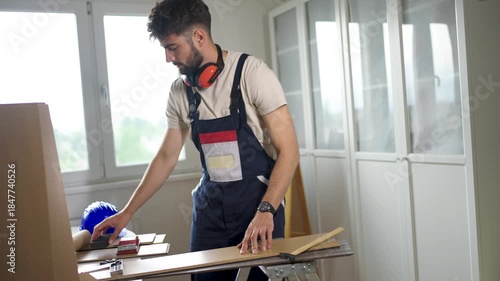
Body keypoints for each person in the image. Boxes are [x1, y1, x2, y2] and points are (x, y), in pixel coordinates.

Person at [92, 0, 299, 280]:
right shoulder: (180, 91)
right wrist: (128, 212)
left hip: (258, 209)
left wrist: (267, 210)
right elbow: (166, 157)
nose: (167, 57)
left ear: (199, 37)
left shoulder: (252, 74)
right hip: (210, 215)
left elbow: (289, 151)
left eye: (172, 47)